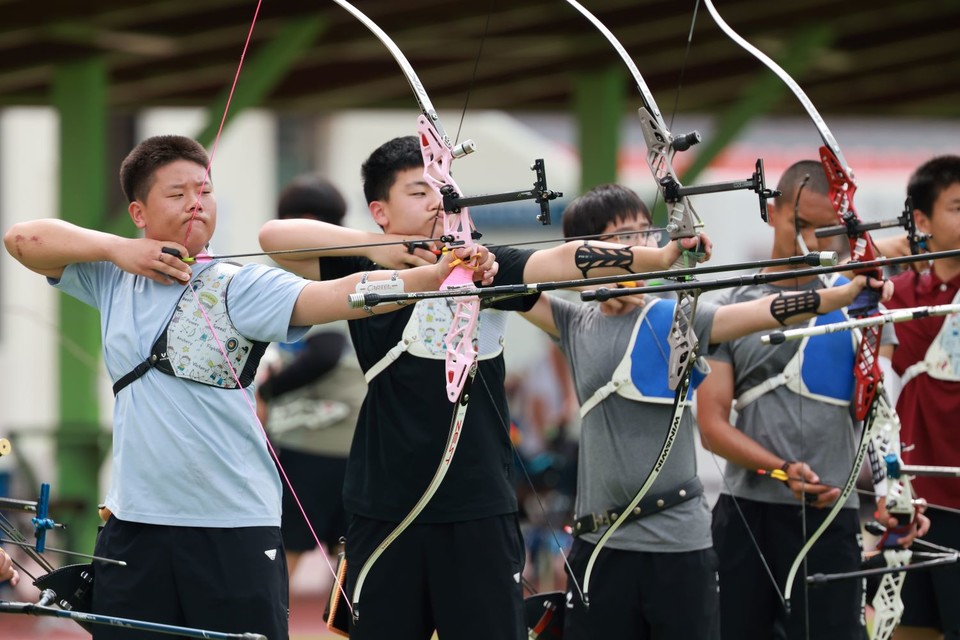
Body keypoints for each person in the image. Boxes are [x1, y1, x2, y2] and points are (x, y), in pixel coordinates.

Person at [2, 135, 495, 640]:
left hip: (232, 526)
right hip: (135, 524)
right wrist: (118, 249)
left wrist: (433, 277)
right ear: (139, 211)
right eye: (177, 193)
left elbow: (337, 295)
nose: (197, 201)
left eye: (206, 190)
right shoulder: (111, 277)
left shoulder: (240, 285)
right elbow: (22, 239)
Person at [257, 135, 712, 640]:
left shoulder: (484, 265)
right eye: (418, 192)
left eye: (443, 188)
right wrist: (380, 248)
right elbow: (275, 236)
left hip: (479, 509)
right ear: (380, 210)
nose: (437, 202)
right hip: (385, 508)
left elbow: (561, 261)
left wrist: (662, 256)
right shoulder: (368, 267)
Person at [517, 183, 890, 640]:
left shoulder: (679, 318)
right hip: (600, 546)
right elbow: (508, 280)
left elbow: (766, 312)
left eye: (645, 234)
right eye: (621, 239)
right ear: (586, 252)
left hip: (680, 543)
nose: (641, 247)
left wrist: (841, 295)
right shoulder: (572, 322)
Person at [696, 159, 927, 640]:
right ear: (774, 211)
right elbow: (713, 426)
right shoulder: (728, 307)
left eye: (824, 231)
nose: (809, 244)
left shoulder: (862, 305)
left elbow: (882, 419)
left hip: (831, 516)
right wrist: (780, 468)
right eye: (799, 225)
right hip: (747, 513)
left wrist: (893, 498)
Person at [255, 174, 364, 580]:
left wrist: (267, 389)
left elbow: (327, 350)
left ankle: (274, 620)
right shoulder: (353, 268)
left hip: (316, 439)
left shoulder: (313, 279)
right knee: (351, 552)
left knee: (291, 546)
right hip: (354, 440)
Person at [883, 155, 960, 640]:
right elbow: (849, 273)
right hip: (913, 503)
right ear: (922, 221)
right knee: (907, 629)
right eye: (957, 206)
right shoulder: (898, 291)